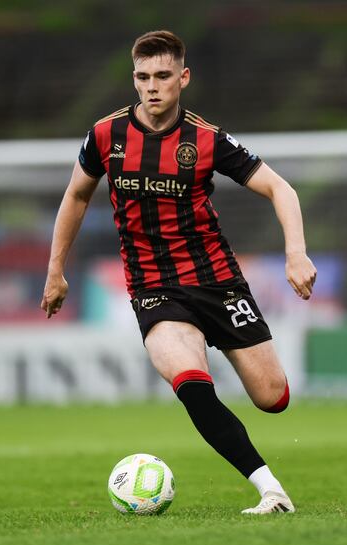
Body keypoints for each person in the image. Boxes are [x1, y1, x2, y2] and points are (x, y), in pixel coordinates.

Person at [41, 30, 316, 515]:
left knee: (272, 398)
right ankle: (270, 489)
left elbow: (281, 189)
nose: (152, 86)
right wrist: (55, 269)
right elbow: (77, 195)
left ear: (183, 78)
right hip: (153, 286)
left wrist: (296, 253)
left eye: (163, 76)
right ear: (134, 79)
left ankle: (242, 367)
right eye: (143, 77)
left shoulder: (206, 139)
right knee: (192, 383)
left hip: (216, 279)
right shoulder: (105, 135)